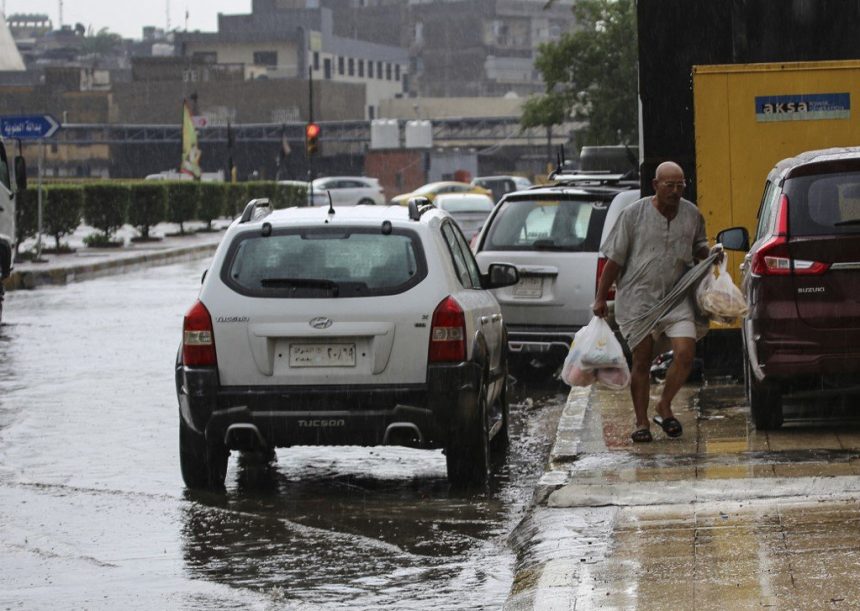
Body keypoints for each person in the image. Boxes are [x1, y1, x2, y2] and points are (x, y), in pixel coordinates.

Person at [592, 161, 720, 443]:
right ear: (655, 185)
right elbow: (614, 260)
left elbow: (698, 246)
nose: (675, 191)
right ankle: (641, 422)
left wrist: (710, 255)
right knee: (642, 359)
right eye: (669, 185)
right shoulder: (633, 215)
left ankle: (664, 405)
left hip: (676, 296)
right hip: (638, 300)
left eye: (680, 185)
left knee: (686, 353)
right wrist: (600, 297)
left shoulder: (692, 214)